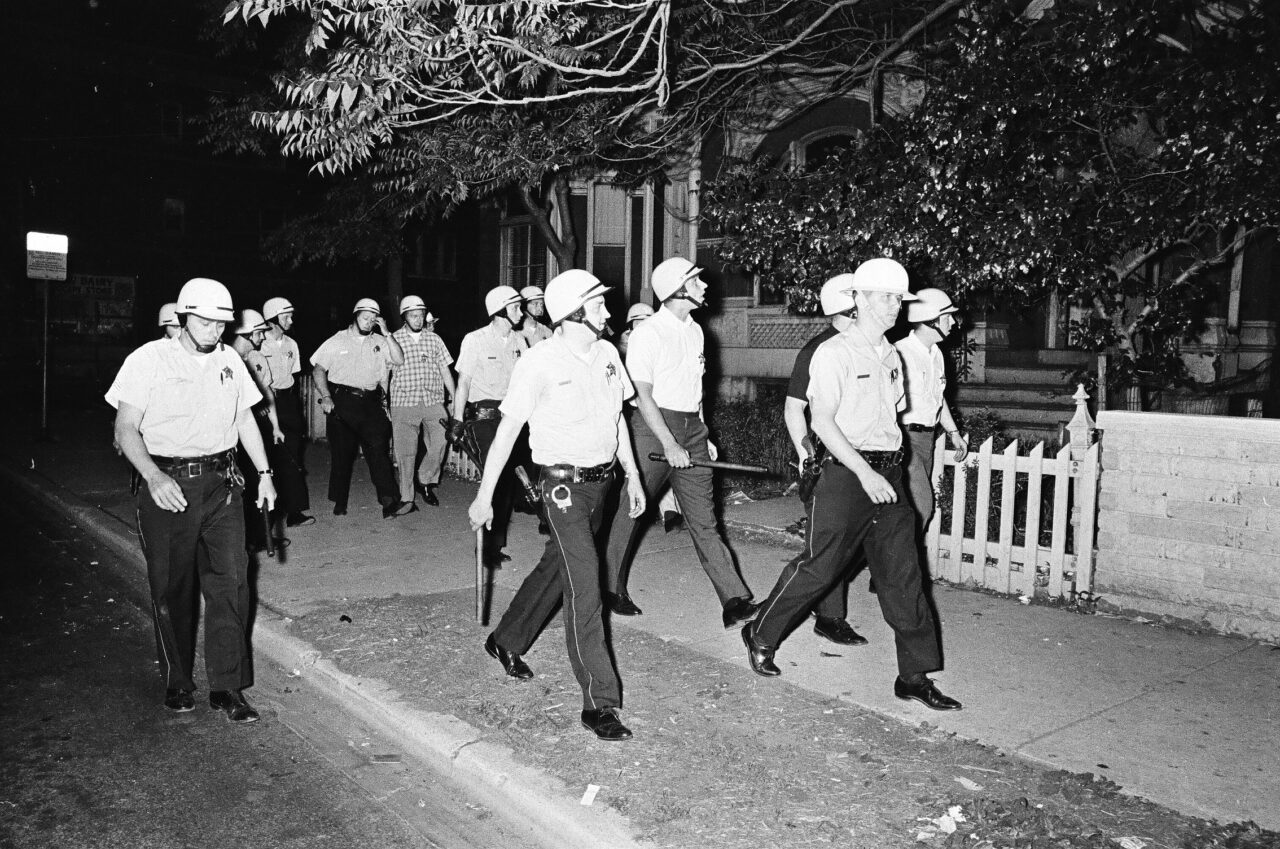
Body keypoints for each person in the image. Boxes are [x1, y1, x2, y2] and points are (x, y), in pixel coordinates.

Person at [742, 258, 962, 712]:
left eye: (898, 299)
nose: (894, 306)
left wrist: (888, 470)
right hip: (847, 474)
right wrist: (864, 472)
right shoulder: (834, 352)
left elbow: (890, 417)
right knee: (821, 567)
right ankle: (761, 631)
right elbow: (821, 421)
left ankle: (914, 676)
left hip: (889, 474)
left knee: (904, 576)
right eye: (885, 297)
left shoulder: (892, 354)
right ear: (859, 299)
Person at [469, 270, 645, 742]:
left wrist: (632, 475)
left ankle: (505, 639)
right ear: (573, 313)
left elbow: (618, 419)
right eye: (598, 304)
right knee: (586, 585)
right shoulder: (539, 361)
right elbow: (507, 432)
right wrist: (484, 496)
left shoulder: (608, 354)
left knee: (558, 566)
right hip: (562, 489)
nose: (607, 311)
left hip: (602, 484)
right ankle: (599, 703)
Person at [105, 277, 276, 723]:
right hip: (168, 484)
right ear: (183, 317)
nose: (214, 331)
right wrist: (153, 476)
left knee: (232, 582)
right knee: (172, 587)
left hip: (223, 484)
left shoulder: (230, 360)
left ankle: (227, 686)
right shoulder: (148, 359)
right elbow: (125, 428)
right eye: (205, 323)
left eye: (221, 324)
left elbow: (244, 419)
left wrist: (265, 474)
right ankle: (178, 680)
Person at [602, 257, 757, 628]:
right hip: (653, 427)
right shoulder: (649, 333)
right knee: (633, 509)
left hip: (691, 427)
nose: (705, 286)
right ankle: (610, 588)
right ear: (678, 290)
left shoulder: (696, 331)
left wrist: (704, 432)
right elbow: (643, 395)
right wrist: (670, 443)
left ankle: (734, 599)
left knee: (704, 517)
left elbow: (696, 389)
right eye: (696, 281)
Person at [780, 274, 870, 647]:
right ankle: (828, 616)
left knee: (861, 539)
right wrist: (806, 455)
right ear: (850, 310)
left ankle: (818, 597)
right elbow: (793, 408)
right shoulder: (818, 349)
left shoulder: (867, 345)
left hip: (868, 455)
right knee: (830, 542)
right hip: (829, 457)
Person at [311, 298, 414, 519]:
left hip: (371, 403)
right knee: (342, 455)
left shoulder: (380, 340)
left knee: (378, 451)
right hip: (343, 401)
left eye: (373, 319)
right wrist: (326, 396)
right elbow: (318, 370)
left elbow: (399, 360)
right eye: (365, 318)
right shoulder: (337, 340)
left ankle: (388, 501)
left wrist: (387, 333)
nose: (369, 322)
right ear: (355, 316)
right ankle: (339, 500)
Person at [450, 286, 529, 566]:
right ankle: (484, 550)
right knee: (494, 480)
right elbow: (464, 382)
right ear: (499, 311)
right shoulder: (475, 340)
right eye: (516, 307)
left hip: (512, 417)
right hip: (484, 419)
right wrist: (457, 420)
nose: (521, 312)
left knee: (508, 482)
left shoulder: (520, 340)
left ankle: (494, 546)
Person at [895, 288, 969, 532]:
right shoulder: (899, 352)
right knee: (921, 508)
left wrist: (953, 432)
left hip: (927, 439)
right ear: (931, 320)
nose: (953, 323)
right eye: (948, 317)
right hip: (904, 439)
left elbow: (938, 397)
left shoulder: (936, 354)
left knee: (907, 511)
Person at [616, 302, 682, 533]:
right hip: (628, 411)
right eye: (639, 321)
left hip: (653, 408)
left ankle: (669, 509)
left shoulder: (659, 340)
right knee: (636, 465)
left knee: (661, 459)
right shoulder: (621, 347)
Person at [389, 295, 456, 509]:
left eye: (420, 315)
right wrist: (382, 400)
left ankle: (425, 479)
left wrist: (455, 397)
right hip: (403, 401)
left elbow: (445, 370)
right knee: (405, 452)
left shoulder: (434, 339)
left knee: (441, 440)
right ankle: (406, 496)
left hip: (432, 400)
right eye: (413, 316)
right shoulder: (393, 339)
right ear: (404, 317)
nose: (418, 320)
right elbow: (383, 372)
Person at [230, 308, 286, 551]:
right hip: (229, 438)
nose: (263, 337)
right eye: (259, 333)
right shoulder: (223, 359)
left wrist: (274, 425)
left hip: (250, 431)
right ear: (247, 334)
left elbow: (266, 393)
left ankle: (256, 537)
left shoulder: (252, 360)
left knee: (258, 483)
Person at [261, 296, 314, 528]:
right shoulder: (259, 344)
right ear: (272, 319)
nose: (291, 321)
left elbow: (293, 374)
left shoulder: (292, 344)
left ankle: (294, 511)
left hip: (288, 402)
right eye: (286, 317)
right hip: (265, 404)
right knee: (266, 457)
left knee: (293, 457)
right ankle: (267, 516)